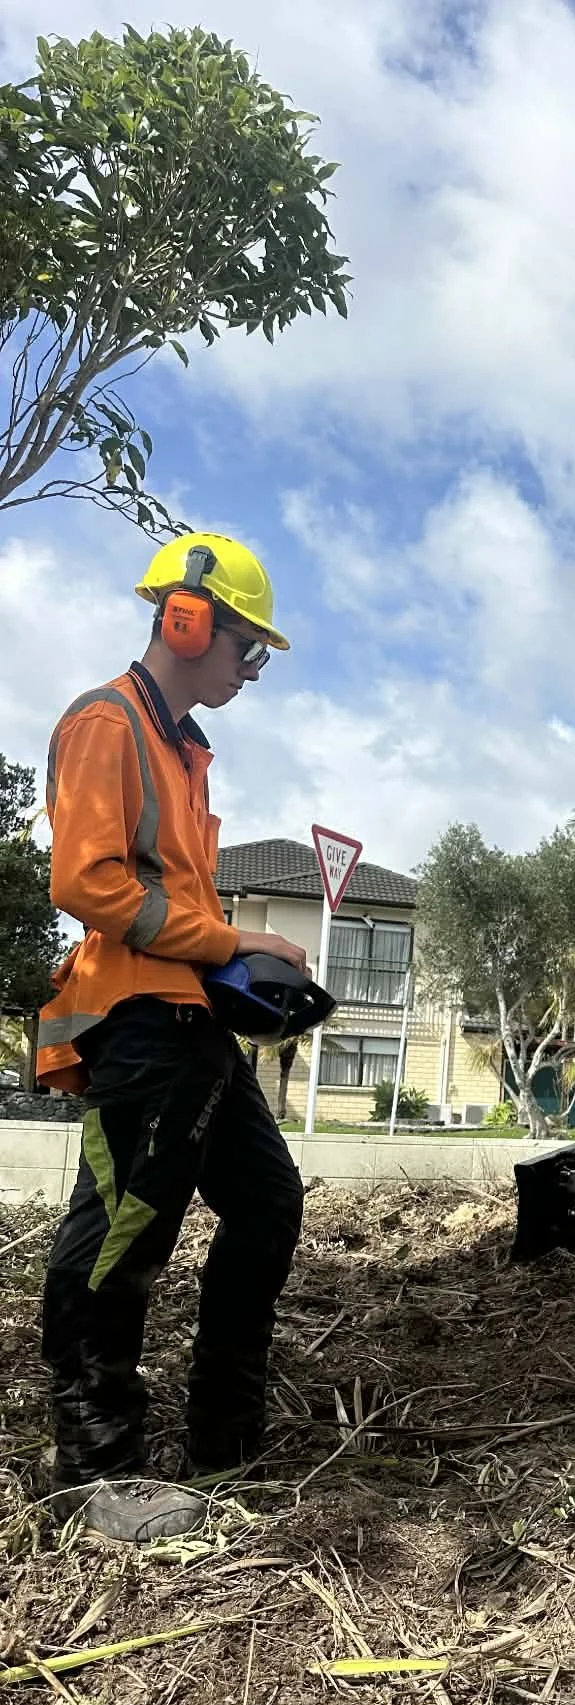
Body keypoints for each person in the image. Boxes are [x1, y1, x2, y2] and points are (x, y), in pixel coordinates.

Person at [36, 533, 308, 1543]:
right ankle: (93, 1477)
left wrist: (241, 974)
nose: (251, 669)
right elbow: (88, 881)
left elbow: (169, 899)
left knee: (268, 1204)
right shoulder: (107, 722)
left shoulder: (185, 746)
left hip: (192, 1019)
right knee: (117, 1235)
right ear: (188, 620)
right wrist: (233, 938)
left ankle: (225, 1439)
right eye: (249, 647)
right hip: (142, 1025)